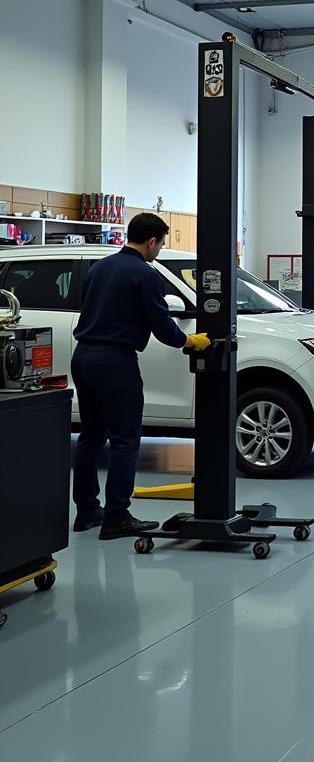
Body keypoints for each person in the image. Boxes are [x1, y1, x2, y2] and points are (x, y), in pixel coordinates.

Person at [71, 213, 211, 538]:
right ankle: (117, 517)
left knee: (90, 438)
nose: (160, 250)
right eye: (161, 244)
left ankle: (88, 511)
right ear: (151, 241)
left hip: (84, 357)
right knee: (125, 440)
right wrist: (189, 340)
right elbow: (162, 325)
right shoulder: (145, 274)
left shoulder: (99, 267)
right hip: (115, 362)